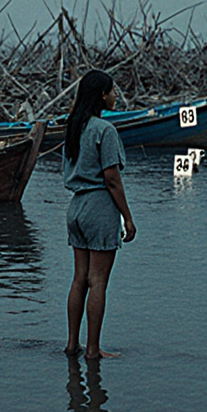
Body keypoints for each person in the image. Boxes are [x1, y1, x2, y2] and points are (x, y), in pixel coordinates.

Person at [62, 69, 136, 360]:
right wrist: (127, 217)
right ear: (102, 95)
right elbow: (112, 179)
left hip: (76, 207)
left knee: (79, 278)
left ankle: (72, 345)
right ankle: (93, 350)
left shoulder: (73, 126)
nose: (116, 96)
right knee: (98, 281)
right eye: (113, 91)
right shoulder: (105, 130)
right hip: (98, 206)